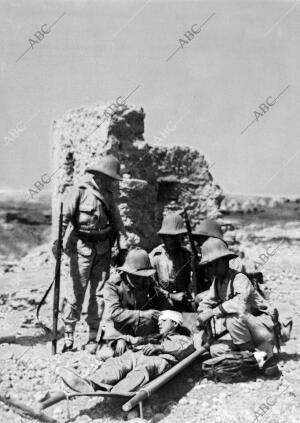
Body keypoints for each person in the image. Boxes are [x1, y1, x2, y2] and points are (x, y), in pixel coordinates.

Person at [52, 155, 128, 353]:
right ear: (100, 176)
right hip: (81, 249)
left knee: (99, 294)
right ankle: (69, 338)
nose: (112, 182)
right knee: (75, 293)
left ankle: (93, 336)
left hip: (102, 250)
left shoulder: (109, 196)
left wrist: (123, 247)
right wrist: (58, 242)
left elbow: (118, 224)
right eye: (110, 178)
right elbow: (64, 219)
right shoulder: (79, 192)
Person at [58, 310, 195, 393]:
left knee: (145, 369)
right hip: (137, 354)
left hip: (161, 358)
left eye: (164, 321)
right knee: (118, 363)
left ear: (175, 324)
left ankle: (118, 391)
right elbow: (135, 339)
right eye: (159, 321)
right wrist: (122, 339)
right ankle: (92, 384)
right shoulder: (154, 336)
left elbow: (186, 349)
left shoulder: (183, 338)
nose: (159, 323)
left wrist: (161, 347)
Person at [197, 237, 277, 374]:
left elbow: (238, 304)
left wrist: (212, 312)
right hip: (247, 335)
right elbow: (207, 301)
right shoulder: (218, 282)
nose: (212, 269)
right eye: (209, 265)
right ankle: (255, 358)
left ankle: (254, 358)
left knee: (233, 318)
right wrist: (202, 312)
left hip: (262, 328)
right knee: (215, 350)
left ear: (225, 261)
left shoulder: (239, 278)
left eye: (215, 264)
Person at [96, 248, 170, 360]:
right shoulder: (112, 285)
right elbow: (115, 313)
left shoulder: (148, 280)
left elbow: (162, 299)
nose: (141, 281)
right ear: (127, 272)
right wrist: (142, 314)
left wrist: (166, 316)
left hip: (140, 330)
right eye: (136, 276)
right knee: (112, 355)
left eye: (143, 276)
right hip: (118, 331)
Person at [149, 213, 194, 312]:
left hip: (184, 304)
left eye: (178, 237)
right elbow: (150, 286)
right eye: (170, 237)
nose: (174, 241)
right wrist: (170, 295)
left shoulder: (187, 256)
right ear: (163, 237)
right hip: (162, 304)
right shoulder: (155, 257)